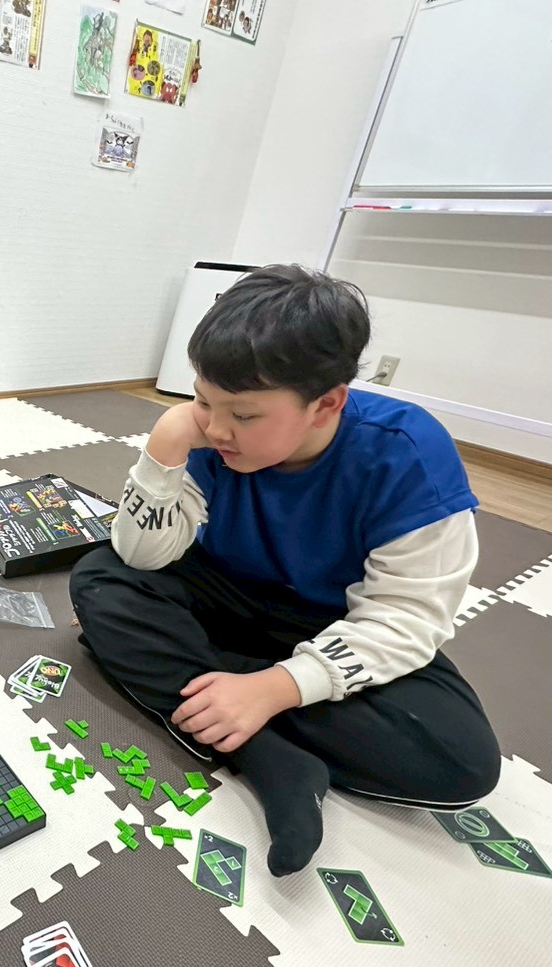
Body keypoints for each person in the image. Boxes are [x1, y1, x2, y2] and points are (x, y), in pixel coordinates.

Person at [69, 265, 500, 877]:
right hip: (227, 592)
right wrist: (164, 446)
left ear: (327, 404)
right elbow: (141, 556)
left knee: (462, 761)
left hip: (335, 623)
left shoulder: (405, 453)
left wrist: (276, 687)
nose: (216, 428)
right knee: (100, 579)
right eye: (202, 400)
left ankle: (205, 684)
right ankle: (264, 752)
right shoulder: (206, 436)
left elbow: (406, 620)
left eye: (244, 415)